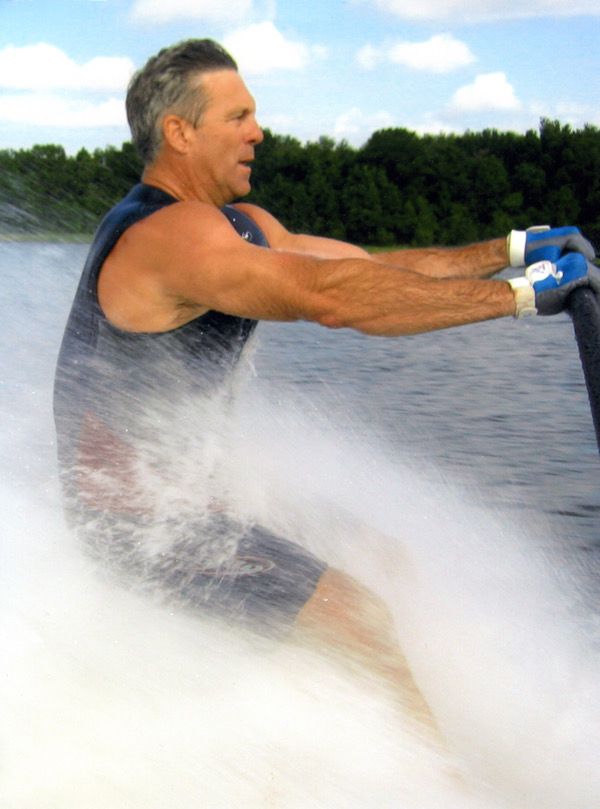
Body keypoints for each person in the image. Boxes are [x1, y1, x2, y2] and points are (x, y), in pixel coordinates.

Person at [53, 39, 596, 736]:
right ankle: (444, 786)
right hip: (138, 530)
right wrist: (520, 298)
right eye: (238, 116)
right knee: (361, 615)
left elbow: (370, 268)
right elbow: (332, 298)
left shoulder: (240, 227)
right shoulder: (170, 236)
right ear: (179, 132)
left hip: (194, 497)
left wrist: (514, 251)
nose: (258, 132)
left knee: (384, 556)